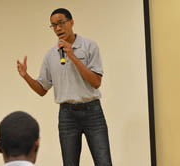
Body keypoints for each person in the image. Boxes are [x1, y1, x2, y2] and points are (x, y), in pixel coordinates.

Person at [17, 8, 112, 166]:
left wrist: (72, 56)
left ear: (71, 22)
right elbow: (42, 90)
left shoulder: (89, 46)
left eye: (61, 23)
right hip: (67, 116)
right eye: (53, 26)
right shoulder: (51, 55)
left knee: (103, 162)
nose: (58, 29)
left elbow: (96, 82)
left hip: (93, 113)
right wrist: (26, 76)